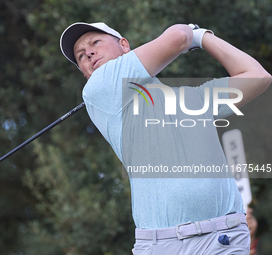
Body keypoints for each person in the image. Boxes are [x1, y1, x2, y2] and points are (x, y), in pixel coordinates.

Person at [60, 22, 271, 254]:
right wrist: (194, 35)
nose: (88, 53)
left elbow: (258, 76)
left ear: (124, 45)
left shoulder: (193, 99)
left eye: (95, 43)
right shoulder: (98, 87)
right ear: (84, 72)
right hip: (160, 245)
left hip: (223, 237)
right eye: (81, 56)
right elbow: (178, 36)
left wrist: (203, 37)